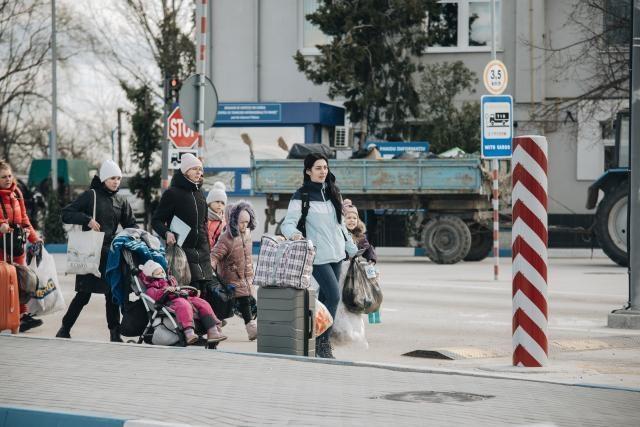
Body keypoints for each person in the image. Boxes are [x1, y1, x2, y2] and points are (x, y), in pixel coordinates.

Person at [280, 153, 357, 358]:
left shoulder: (334, 192)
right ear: (308, 171)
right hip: (317, 255)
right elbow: (287, 223)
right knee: (333, 295)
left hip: (337, 254)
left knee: (324, 299)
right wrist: (296, 235)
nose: (323, 171)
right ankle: (323, 344)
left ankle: (312, 340)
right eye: (318, 168)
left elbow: (341, 225)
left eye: (325, 167)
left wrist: (350, 247)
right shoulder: (301, 195)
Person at [56, 160, 137, 342]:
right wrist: (87, 220)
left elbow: (131, 224)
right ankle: (65, 328)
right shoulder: (90, 195)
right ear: (103, 179)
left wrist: (133, 237)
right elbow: (66, 214)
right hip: (91, 253)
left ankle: (114, 333)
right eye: (111, 178)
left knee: (112, 294)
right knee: (83, 294)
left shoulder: (121, 200)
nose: (116, 182)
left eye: (118, 178)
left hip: (111, 255)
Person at [152, 154, 214, 292]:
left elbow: (203, 225)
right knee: (190, 296)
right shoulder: (172, 193)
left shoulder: (200, 194)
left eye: (200, 169)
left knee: (205, 298)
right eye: (195, 169)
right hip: (182, 254)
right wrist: (166, 233)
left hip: (203, 256)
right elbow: (156, 221)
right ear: (185, 171)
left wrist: (208, 251)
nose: (199, 172)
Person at [0, 160, 44, 333]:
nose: (8, 179)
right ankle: (4, 314)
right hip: (1, 245)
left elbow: (24, 219)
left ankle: (21, 316)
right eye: (3, 177)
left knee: (21, 279)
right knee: (3, 280)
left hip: (16, 243)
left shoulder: (16, 193)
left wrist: (35, 238)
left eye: (10, 176)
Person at [137, 260, 226, 344]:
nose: (161, 274)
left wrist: (189, 291)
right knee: (184, 305)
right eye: (157, 273)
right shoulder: (151, 289)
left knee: (202, 302)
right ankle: (189, 332)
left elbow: (179, 288)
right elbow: (156, 296)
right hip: (169, 302)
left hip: (182, 297)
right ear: (150, 275)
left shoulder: (169, 281)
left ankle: (213, 330)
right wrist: (166, 291)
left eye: (161, 271)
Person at [210, 201, 257, 340]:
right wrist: (211, 266)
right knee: (225, 304)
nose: (244, 225)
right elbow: (215, 255)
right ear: (234, 220)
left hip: (245, 278)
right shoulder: (226, 238)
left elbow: (247, 256)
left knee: (245, 301)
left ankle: (251, 328)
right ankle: (216, 327)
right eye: (241, 222)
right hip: (229, 279)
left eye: (247, 222)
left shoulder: (247, 234)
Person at [342, 199, 377, 263]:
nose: (352, 220)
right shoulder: (339, 234)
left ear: (357, 220)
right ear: (343, 220)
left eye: (354, 218)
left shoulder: (359, 235)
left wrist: (371, 259)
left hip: (353, 265)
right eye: (348, 218)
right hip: (340, 264)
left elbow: (367, 248)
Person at [206, 181, 227, 249]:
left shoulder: (224, 220)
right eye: (217, 201)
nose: (220, 205)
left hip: (216, 252)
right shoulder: (203, 216)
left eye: (222, 203)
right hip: (203, 251)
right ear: (210, 202)